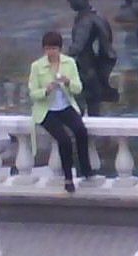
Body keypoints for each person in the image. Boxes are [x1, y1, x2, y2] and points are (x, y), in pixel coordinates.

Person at [28, 31, 93, 193]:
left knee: (80, 130)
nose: (51, 52)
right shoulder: (37, 66)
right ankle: (68, 178)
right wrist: (46, 90)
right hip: (46, 110)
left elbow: (78, 88)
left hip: (65, 106)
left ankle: (85, 168)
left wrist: (68, 82)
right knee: (64, 140)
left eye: (54, 48)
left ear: (60, 49)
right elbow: (33, 93)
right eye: (48, 49)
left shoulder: (69, 63)